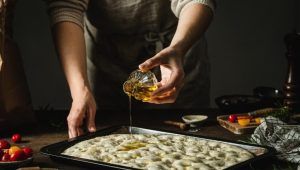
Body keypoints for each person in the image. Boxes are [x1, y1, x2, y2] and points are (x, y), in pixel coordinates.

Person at [46, 0, 216, 138]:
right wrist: (79, 89)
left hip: (178, 46)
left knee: (190, 138)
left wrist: (178, 48)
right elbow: (66, 6)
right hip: (105, 57)